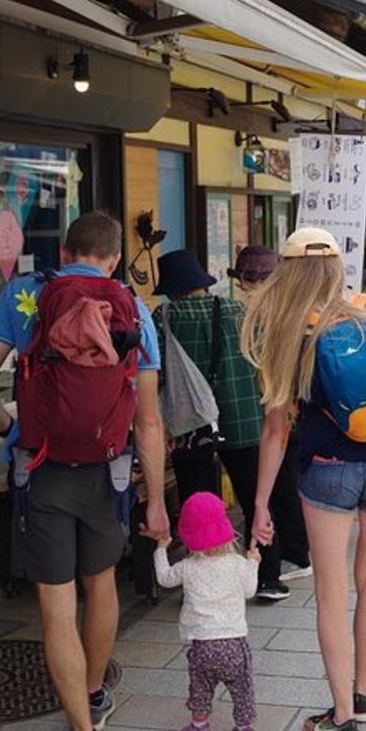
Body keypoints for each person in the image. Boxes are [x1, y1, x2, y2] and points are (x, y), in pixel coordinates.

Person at [0, 210, 168, 731]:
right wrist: (155, 500)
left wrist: (13, 434)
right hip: (110, 471)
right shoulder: (133, 310)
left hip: (43, 468)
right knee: (100, 584)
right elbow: (148, 421)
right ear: (109, 258)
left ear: (67, 249)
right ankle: (97, 691)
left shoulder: (26, 296)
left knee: (56, 604)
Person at [241, 227, 366, 731]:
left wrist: (260, 503)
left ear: (286, 270)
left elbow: (277, 429)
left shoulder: (287, 328)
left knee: (332, 592)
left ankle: (342, 720)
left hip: (327, 469)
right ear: (336, 267)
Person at [153, 250, 289, 601]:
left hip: (191, 425)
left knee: (198, 503)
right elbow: (261, 360)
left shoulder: (164, 317)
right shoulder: (238, 310)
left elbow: (157, 375)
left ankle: (204, 584)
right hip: (242, 419)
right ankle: (269, 577)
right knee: (255, 498)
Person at [229, 245, 311, 582]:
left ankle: (289, 555)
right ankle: (296, 552)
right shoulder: (291, 308)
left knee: (279, 486)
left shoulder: (259, 313)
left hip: (276, 411)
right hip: (296, 409)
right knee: (287, 483)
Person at [153, 492, 260, 731]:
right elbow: (250, 591)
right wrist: (253, 562)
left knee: (200, 688)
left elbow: (164, 578)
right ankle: (245, 729)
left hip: (202, 646)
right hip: (234, 644)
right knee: (242, 688)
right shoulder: (237, 563)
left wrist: (160, 549)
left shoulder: (188, 566)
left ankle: (200, 727)